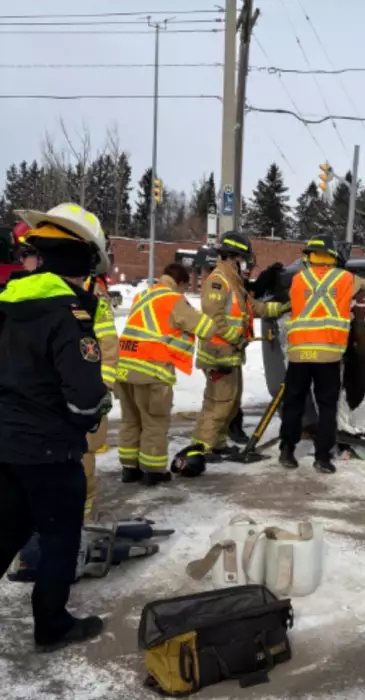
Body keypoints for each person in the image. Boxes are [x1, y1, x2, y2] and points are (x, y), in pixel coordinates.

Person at [0, 202, 113, 652]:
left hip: (5, 446)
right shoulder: (70, 316)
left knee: (6, 529)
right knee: (59, 541)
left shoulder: (7, 305)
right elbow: (84, 400)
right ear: (82, 263)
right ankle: (53, 625)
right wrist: (98, 405)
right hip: (50, 452)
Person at [181, 232, 288, 474]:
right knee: (219, 403)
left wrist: (283, 306)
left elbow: (254, 308)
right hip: (219, 354)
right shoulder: (219, 281)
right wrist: (235, 337)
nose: (246, 265)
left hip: (229, 354)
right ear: (232, 258)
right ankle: (203, 447)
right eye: (243, 260)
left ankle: (216, 444)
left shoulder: (234, 282)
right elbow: (215, 318)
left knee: (229, 402)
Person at [278, 234, 365, 474]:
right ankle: (322, 458)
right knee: (327, 406)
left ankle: (287, 451)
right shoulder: (345, 278)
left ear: (310, 256)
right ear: (333, 257)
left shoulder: (298, 279)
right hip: (327, 356)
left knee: (293, 403)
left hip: (299, 354)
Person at [117, 263, 217, 483]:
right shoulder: (174, 299)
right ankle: (153, 472)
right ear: (180, 283)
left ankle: (129, 468)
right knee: (154, 422)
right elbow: (206, 329)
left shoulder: (143, 296)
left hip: (124, 368)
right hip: (152, 371)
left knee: (131, 420)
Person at [227, 258, 286, 445]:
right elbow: (250, 301)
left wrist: (281, 306)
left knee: (232, 395)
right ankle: (218, 437)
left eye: (251, 268)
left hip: (232, 349)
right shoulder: (226, 285)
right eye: (247, 268)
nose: (248, 271)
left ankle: (228, 430)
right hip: (221, 350)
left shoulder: (237, 285)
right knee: (224, 397)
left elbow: (254, 301)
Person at [80, 241, 118, 519]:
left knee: (83, 455)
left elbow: (108, 344)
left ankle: (82, 514)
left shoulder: (95, 299)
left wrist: (103, 388)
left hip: (83, 388)